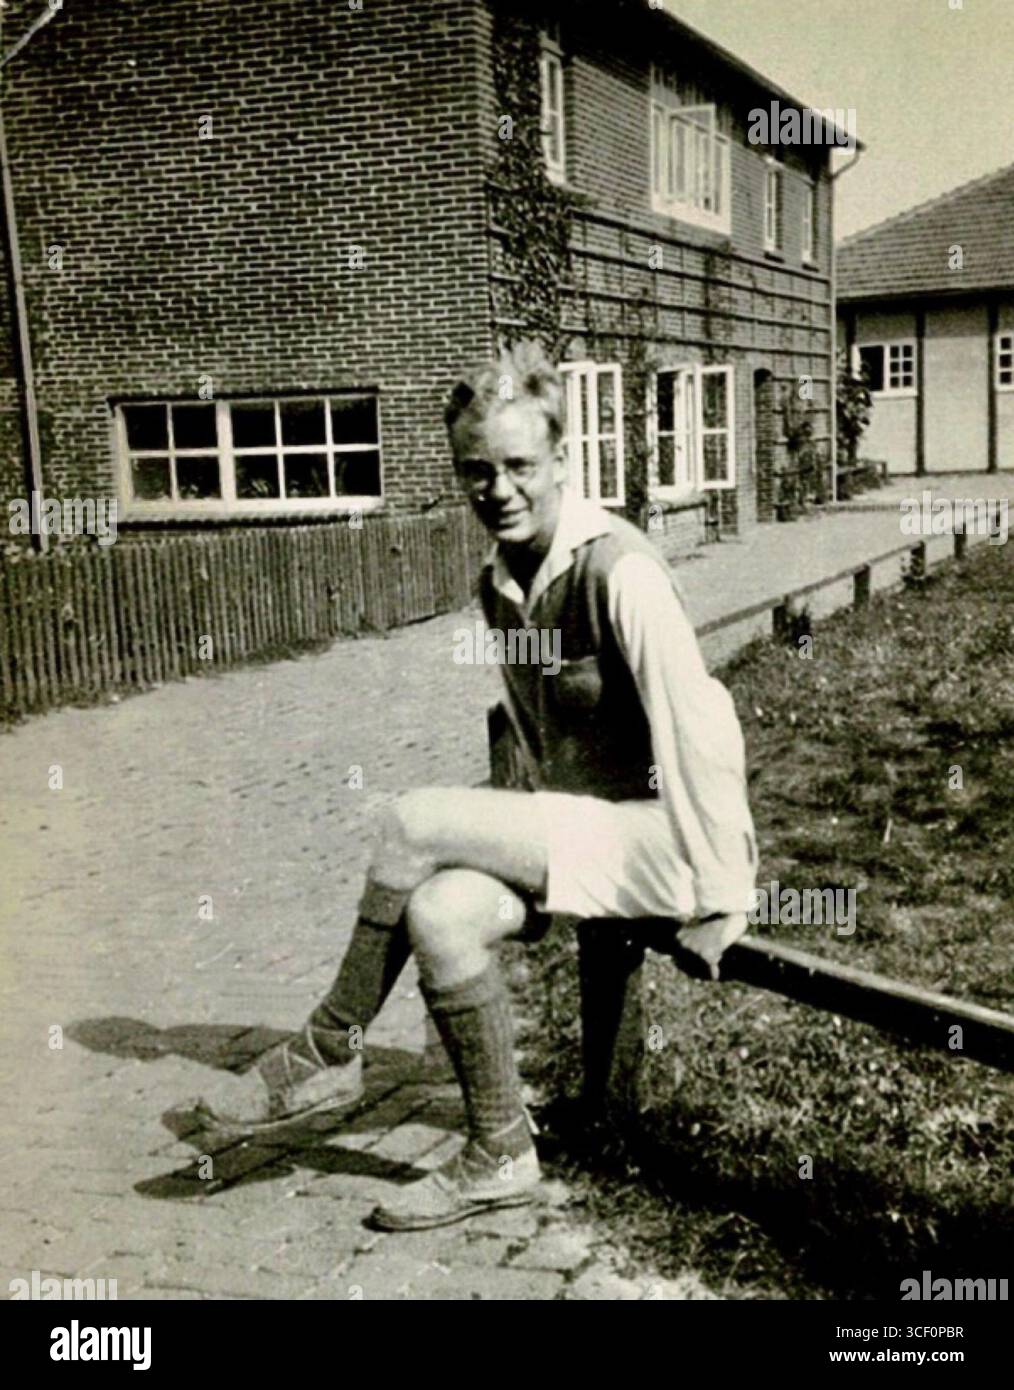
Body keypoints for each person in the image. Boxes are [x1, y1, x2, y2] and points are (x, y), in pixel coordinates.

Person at [201, 340, 757, 1232]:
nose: (497, 488)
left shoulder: (621, 570)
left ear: (563, 462)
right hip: (583, 843)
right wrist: (510, 854)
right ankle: (501, 1148)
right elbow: (536, 734)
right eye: (476, 470)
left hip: (665, 843)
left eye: (519, 465)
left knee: (410, 821)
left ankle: (329, 1045)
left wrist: (726, 895)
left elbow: (700, 730)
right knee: (441, 914)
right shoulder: (499, 584)